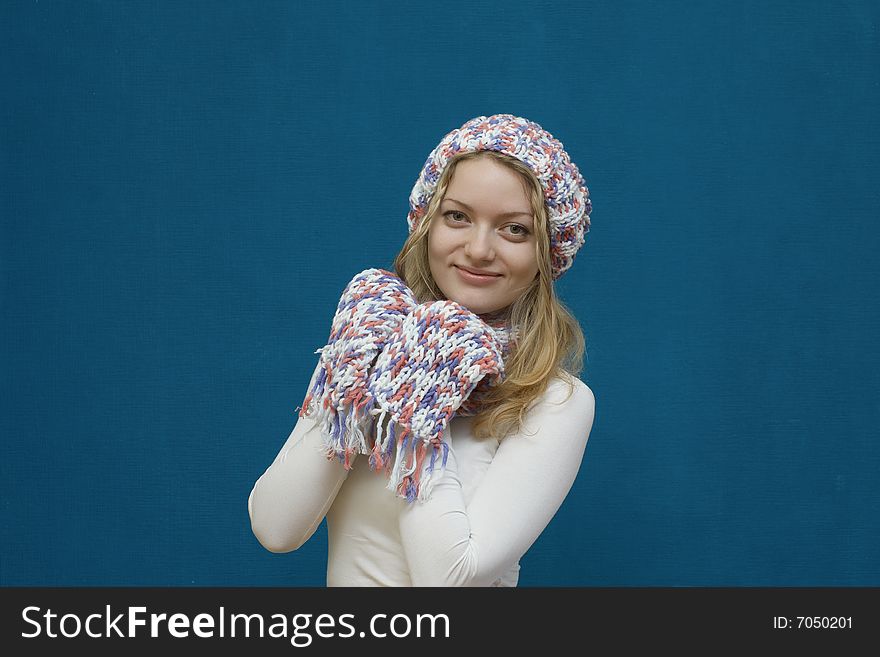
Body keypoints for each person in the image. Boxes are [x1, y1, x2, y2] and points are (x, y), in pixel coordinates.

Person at [248, 114, 596, 586]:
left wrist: (420, 399)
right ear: (426, 223)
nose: (478, 249)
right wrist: (360, 376)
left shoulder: (556, 401)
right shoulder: (371, 344)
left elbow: (451, 577)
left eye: (514, 230)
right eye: (458, 216)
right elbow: (276, 527)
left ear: (547, 254)